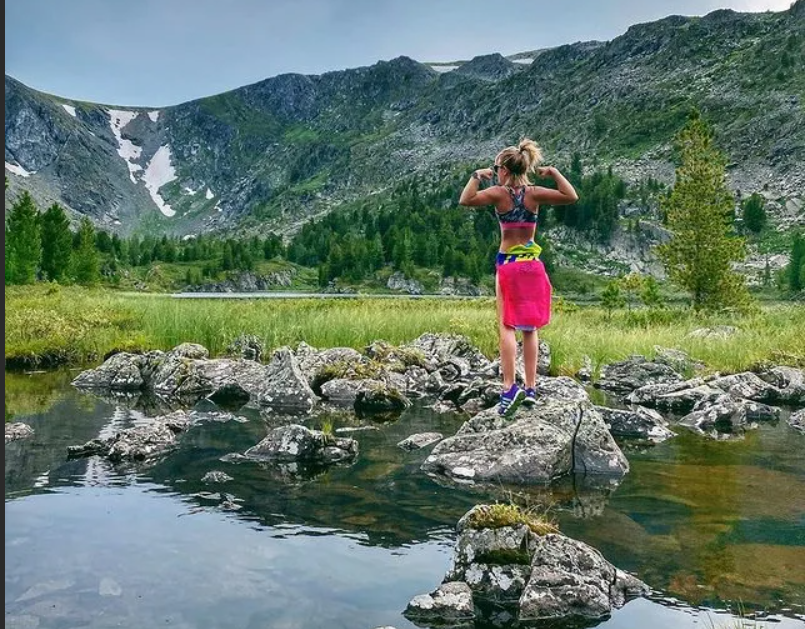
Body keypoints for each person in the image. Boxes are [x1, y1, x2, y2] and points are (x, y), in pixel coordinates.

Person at [459, 138, 578, 418]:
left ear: (503, 169)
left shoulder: (499, 194)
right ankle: (532, 389)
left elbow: (466, 200)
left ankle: (509, 387)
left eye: (495, 167)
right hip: (533, 265)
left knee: (506, 326)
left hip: (509, 265)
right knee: (530, 328)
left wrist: (477, 176)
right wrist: (554, 173)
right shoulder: (534, 193)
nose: (494, 171)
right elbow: (571, 196)